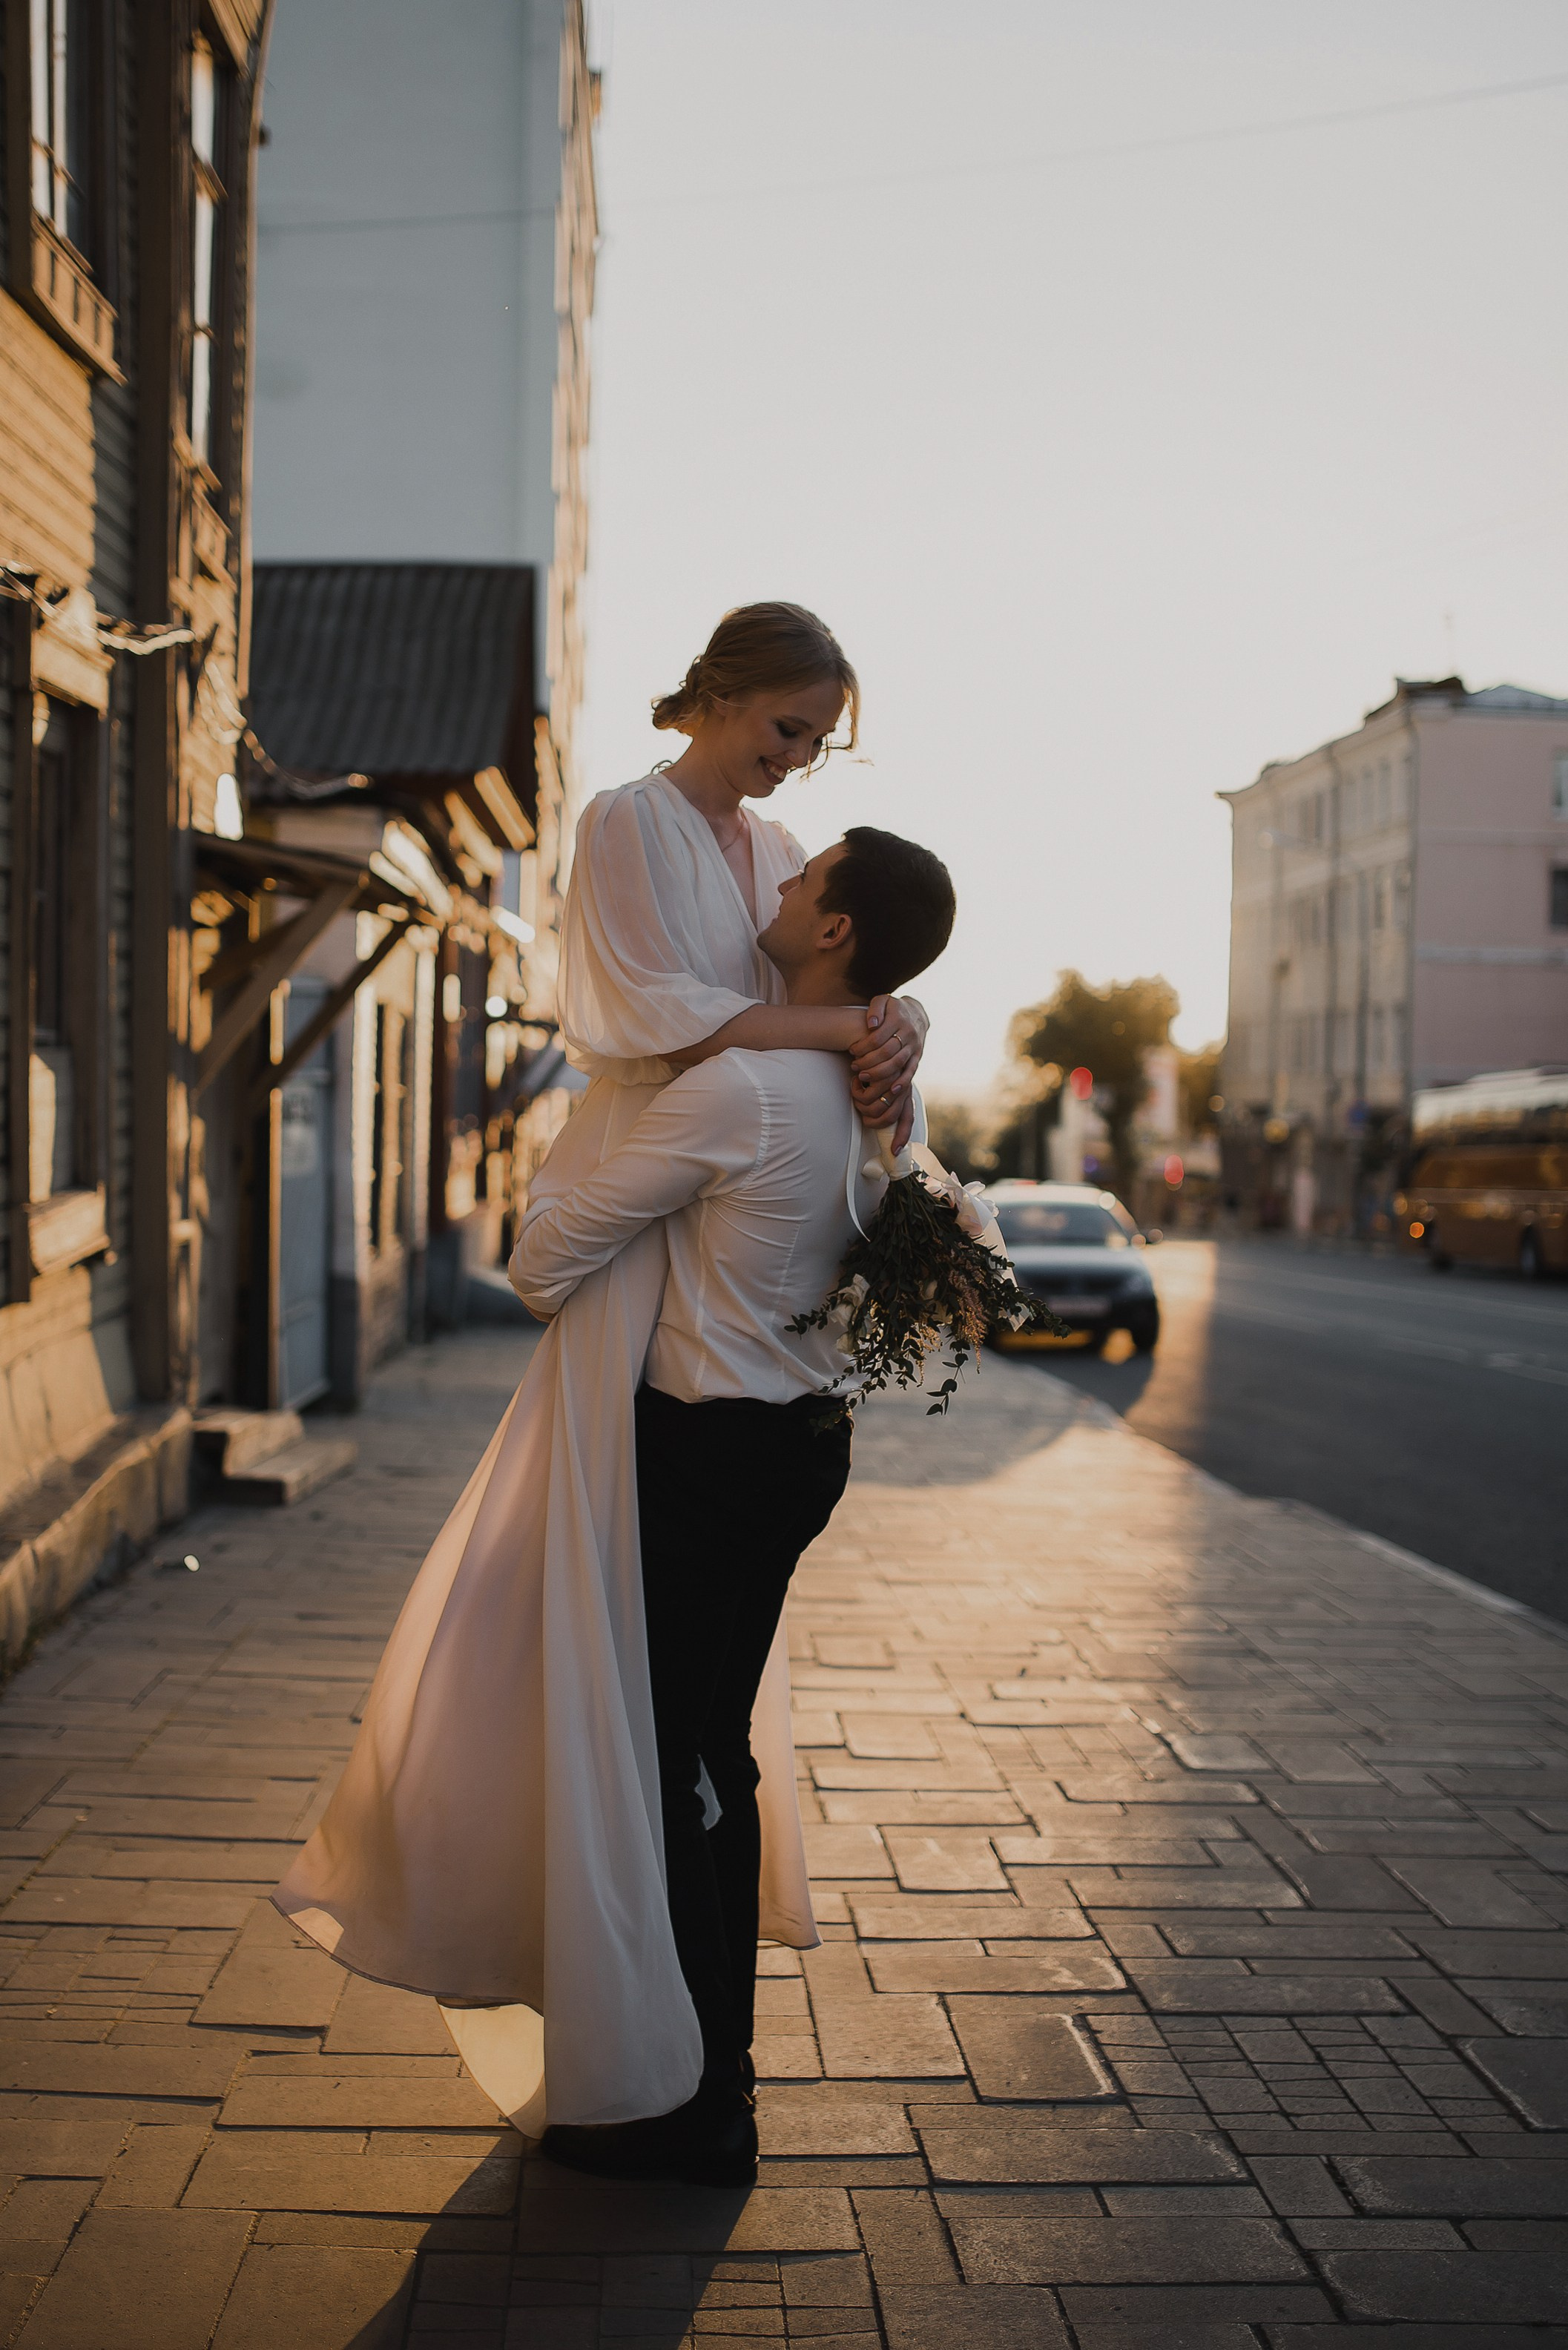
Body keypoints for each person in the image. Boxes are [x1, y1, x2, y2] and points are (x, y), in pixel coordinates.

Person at [274, 605, 932, 2134]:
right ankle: (638, 2016)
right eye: (782, 731)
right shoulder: (626, 820)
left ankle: (674, 2057)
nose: (791, 769)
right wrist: (838, 1023)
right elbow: (647, 1020)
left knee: (665, 1707)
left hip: (693, 1238)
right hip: (653, 1200)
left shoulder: (779, 862)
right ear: (714, 694)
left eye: (814, 747)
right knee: (584, 1647)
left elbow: (847, 977)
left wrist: (883, 1022)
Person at [512, 827, 957, 2186]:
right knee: (714, 1748)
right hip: (801, 1442)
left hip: (705, 1450)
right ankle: (712, 2084)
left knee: (672, 1765)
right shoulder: (883, 1095)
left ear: (832, 934)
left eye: (801, 876)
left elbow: (540, 1266)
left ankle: (694, 2104)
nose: (773, 884)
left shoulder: (750, 1085)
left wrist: (597, 1166)